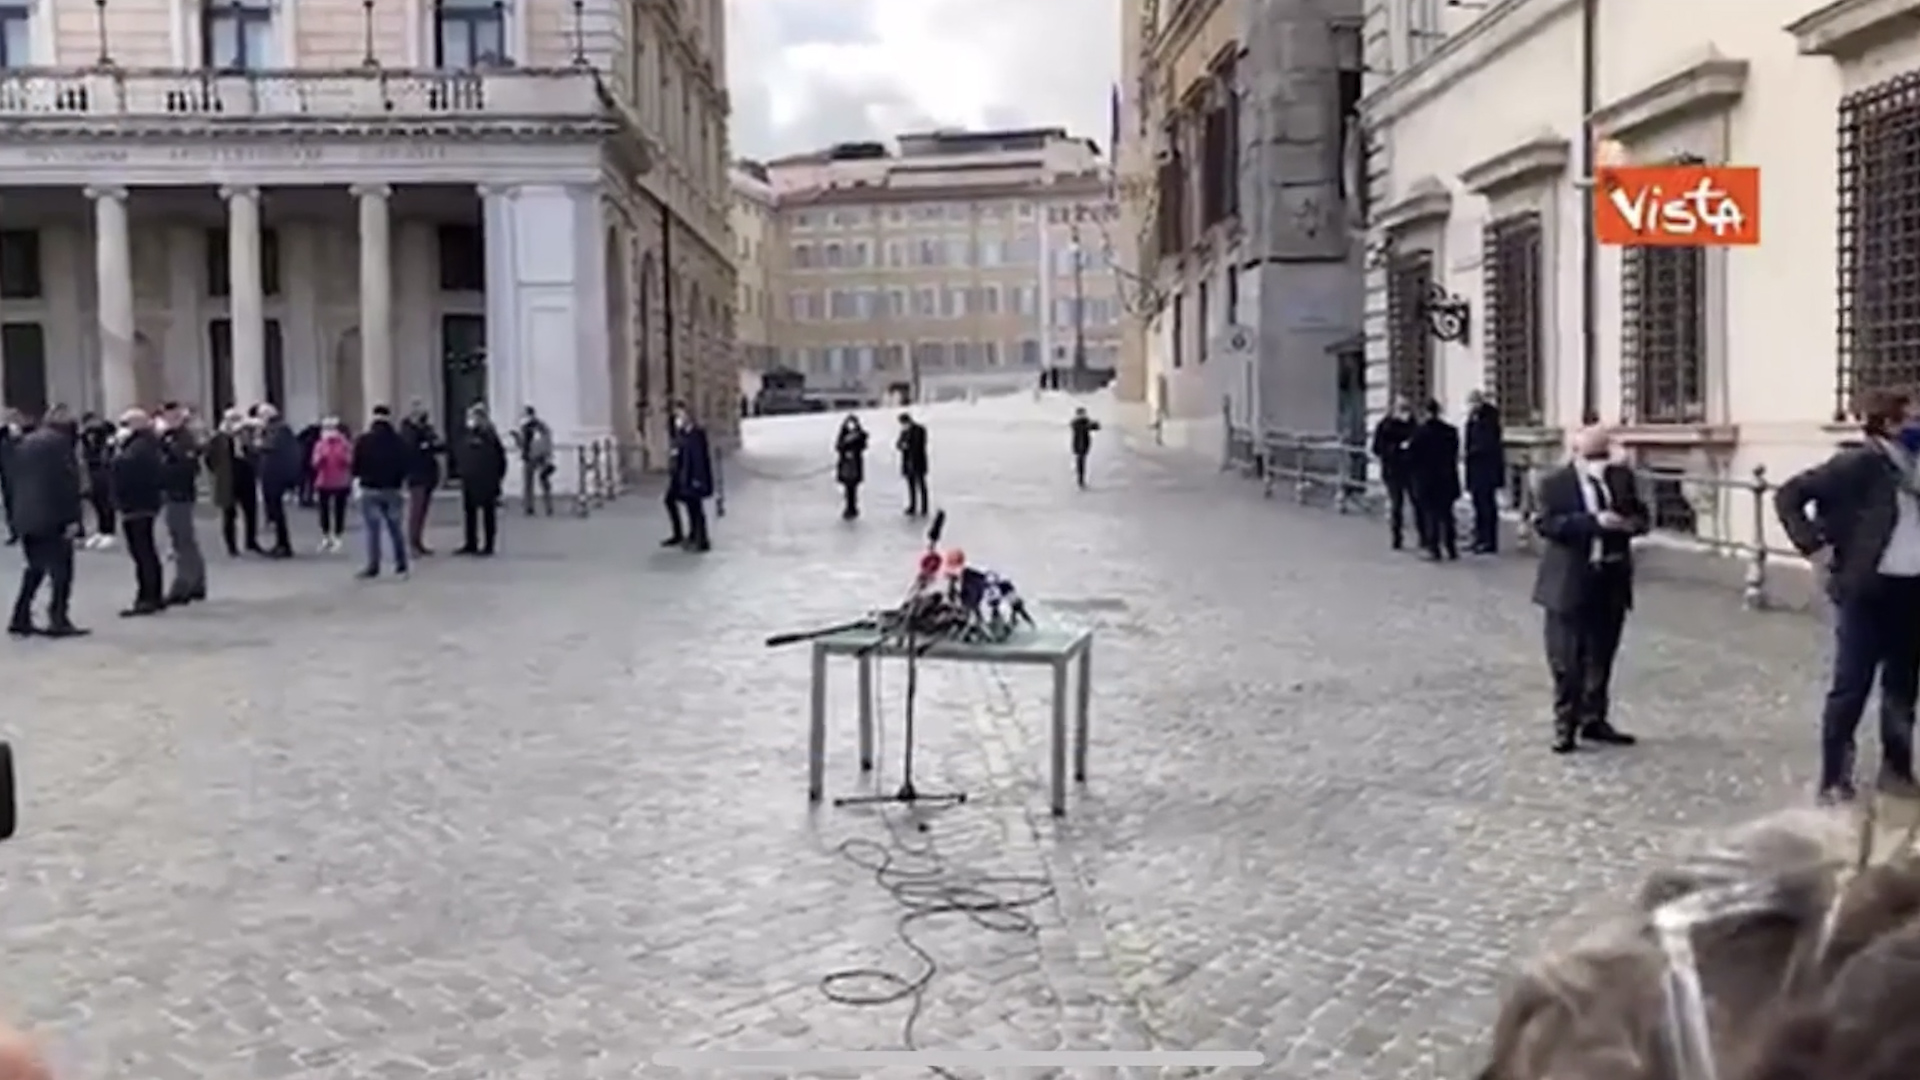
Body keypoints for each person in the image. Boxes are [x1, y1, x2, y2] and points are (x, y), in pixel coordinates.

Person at [1775, 387, 1920, 804]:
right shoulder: (1857, 463)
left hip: (1909, 589)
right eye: (1910, 418)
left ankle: (1897, 771)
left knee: (1902, 686)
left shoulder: (1911, 466)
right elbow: (1789, 495)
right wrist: (1814, 548)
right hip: (1866, 590)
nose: (1916, 425)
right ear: (1889, 423)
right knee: (1851, 685)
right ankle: (1834, 778)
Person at [1531, 425, 1647, 754]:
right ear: (1576, 453)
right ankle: (1565, 724)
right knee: (1567, 659)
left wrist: (1628, 525)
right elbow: (1546, 524)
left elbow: (1642, 516)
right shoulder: (1554, 483)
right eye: (1593, 455)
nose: (1600, 461)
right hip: (1569, 581)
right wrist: (1594, 522)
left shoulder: (1620, 479)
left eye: (1604, 454)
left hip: (1609, 576)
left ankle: (1594, 718)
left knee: (1602, 654)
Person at [6, 411, 87, 638]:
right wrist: (73, 519)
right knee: (62, 570)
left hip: (27, 516)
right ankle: (58, 618)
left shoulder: (24, 445)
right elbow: (67, 483)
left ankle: (20, 615)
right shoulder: (60, 446)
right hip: (53, 517)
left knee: (35, 568)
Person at [110, 409, 167, 617]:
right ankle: (153, 594)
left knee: (142, 552)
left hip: (138, 504)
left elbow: (125, 469)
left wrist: (116, 453)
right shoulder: (144, 444)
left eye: (125, 423)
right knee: (146, 551)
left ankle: (148, 597)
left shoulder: (140, 447)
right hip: (141, 503)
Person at [351, 405, 411, 580]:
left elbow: (356, 465)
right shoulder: (398, 441)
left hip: (370, 488)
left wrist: (360, 478)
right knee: (395, 529)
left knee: (372, 530)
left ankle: (373, 565)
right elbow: (406, 463)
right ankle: (401, 564)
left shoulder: (363, 440)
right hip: (392, 488)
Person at [155, 402, 206, 606]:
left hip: (180, 493)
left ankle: (185, 584)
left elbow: (186, 464)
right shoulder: (171, 438)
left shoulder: (183, 439)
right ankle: (196, 583)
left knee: (182, 540)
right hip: (173, 492)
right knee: (184, 540)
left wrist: (167, 446)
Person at [1406, 399, 1461, 561]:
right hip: (1446, 478)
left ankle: (1434, 548)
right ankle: (1451, 547)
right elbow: (1454, 453)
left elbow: (1411, 457)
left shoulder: (1419, 433)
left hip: (1426, 480)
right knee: (1447, 515)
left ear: (1426, 413)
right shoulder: (1450, 432)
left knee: (1430, 515)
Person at [204, 408, 261, 556]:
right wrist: (217, 471)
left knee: (250, 510)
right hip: (228, 477)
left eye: (237, 419)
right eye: (232, 419)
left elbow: (255, 453)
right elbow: (210, 458)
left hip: (246, 474)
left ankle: (251, 541)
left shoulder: (245, 435)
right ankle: (231, 546)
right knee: (229, 513)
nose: (236, 423)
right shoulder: (218, 438)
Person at [451, 406, 507, 556]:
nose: (471, 420)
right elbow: (460, 451)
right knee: (470, 513)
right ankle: (471, 543)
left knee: (488, 513)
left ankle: (489, 545)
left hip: (486, 480)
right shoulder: (465, 435)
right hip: (469, 480)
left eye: (474, 417)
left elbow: (500, 459)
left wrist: (497, 478)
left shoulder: (489, 436)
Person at [663, 400, 714, 551]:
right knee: (672, 500)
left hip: (692, 475)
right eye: (676, 414)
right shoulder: (681, 433)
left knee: (695, 508)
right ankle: (684, 535)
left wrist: (698, 479)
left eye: (680, 414)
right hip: (680, 475)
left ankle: (701, 540)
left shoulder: (696, 433)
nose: (678, 417)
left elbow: (699, 458)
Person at [251, 405, 300, 558]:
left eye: (261, 416)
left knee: (277, 511)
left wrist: (258, 441)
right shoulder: (275, 428)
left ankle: (284, 544)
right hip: (271, 474)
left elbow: (270, 446)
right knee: (274, 510)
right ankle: (281, 542)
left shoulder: (280, 429)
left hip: (276, 475)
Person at [1370, 398, 1418, 550]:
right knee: (1396, 505)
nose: (1405, 412)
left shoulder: (1413, 425)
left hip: (1411, 469)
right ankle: (1397, 537)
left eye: (1407, 408)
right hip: (1393, 470)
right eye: (1402, 409)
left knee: (1417, 503)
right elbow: (1377, 448)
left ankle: (1423, 536)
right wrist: (1396, 448)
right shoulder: (1385, 426)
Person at [1463, 389, 1507, 554]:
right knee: (1478, 506)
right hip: (1475, 470)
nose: (1471, 406)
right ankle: (1479, 538)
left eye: (1474, 402)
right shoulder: (1473, 418)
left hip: (1486, 471)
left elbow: (1487, 443)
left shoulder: (1489, 417)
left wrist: (1473, 451)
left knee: (1487, 506)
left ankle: (1489, 540)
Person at [399, 401, 443, 557]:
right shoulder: (407, 431)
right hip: (416, 474)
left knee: (423, 511)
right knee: (416, 511)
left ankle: (418, 541)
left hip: (428, 473)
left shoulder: (426, 429)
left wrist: (429, 444)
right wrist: (426, 445)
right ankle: (412, 543)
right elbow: (411, 449)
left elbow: (438, 445)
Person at [309, 417, 354, 552]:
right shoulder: (320, 444)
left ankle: (338, 535)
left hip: (340, 481)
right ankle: (326, 534)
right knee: (323, 510)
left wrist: (342, 458)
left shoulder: (344, 444)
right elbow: (314, 463)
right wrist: (320, 460)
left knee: (339, 509)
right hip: (324, 480)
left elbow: (350, 461)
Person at [77, 410, 118, 549]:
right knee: (97, 501)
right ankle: (101, 530)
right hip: (92, 470)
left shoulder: (107, 432)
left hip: (104, 470)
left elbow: (110, 449)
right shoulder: (84, 436)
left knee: (106, 502)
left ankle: (109, 531)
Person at [516, 405, 555, 516]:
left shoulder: (539, 426)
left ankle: (547, 506)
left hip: (538, 456)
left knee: (541, 481)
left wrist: (546, 454)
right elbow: (523, 444)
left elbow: (544, 439)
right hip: (530, 456)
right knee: (530, 482)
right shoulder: (525, 428)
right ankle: (530, 506)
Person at [834, 415, 868, 520]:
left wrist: (854, 449)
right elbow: (838, 446)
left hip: (854, 464)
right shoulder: (843, 434)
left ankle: (852, 507)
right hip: (846, 464)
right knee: (847, 488)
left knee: (853, 488)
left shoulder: (860, 435)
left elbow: (863, 446)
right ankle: (849, 507)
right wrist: (845, 450)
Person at [897, 412, 930, 517]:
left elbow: (920, 445)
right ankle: (913, 505)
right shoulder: (904, 432)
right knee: (911, 485)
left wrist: (908, 445)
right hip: (907, 462)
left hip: (918, 461)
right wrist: (902, 445)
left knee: (921, 485)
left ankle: (924, 507)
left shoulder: (919, 430)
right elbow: (898, 444)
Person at [0, 408, 19, 545]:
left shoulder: (15, 432)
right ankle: (14, 530)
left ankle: (19, 529)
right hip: (7, 471)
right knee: (10, 501)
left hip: (17, 470)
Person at [1069, 407, 1100, 489]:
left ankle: (1081, 479)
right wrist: (1089, 424)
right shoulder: (1076, 423)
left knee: (1082, 462)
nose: (1082, 415)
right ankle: (1080, 480)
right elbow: (1082, 428)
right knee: (1081, 462)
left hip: (1084, 445)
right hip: (1078, 445)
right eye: (1081, 414)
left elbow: (1096, 427)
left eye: (1083, 414)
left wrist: (1095, 423)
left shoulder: (1086, 421)